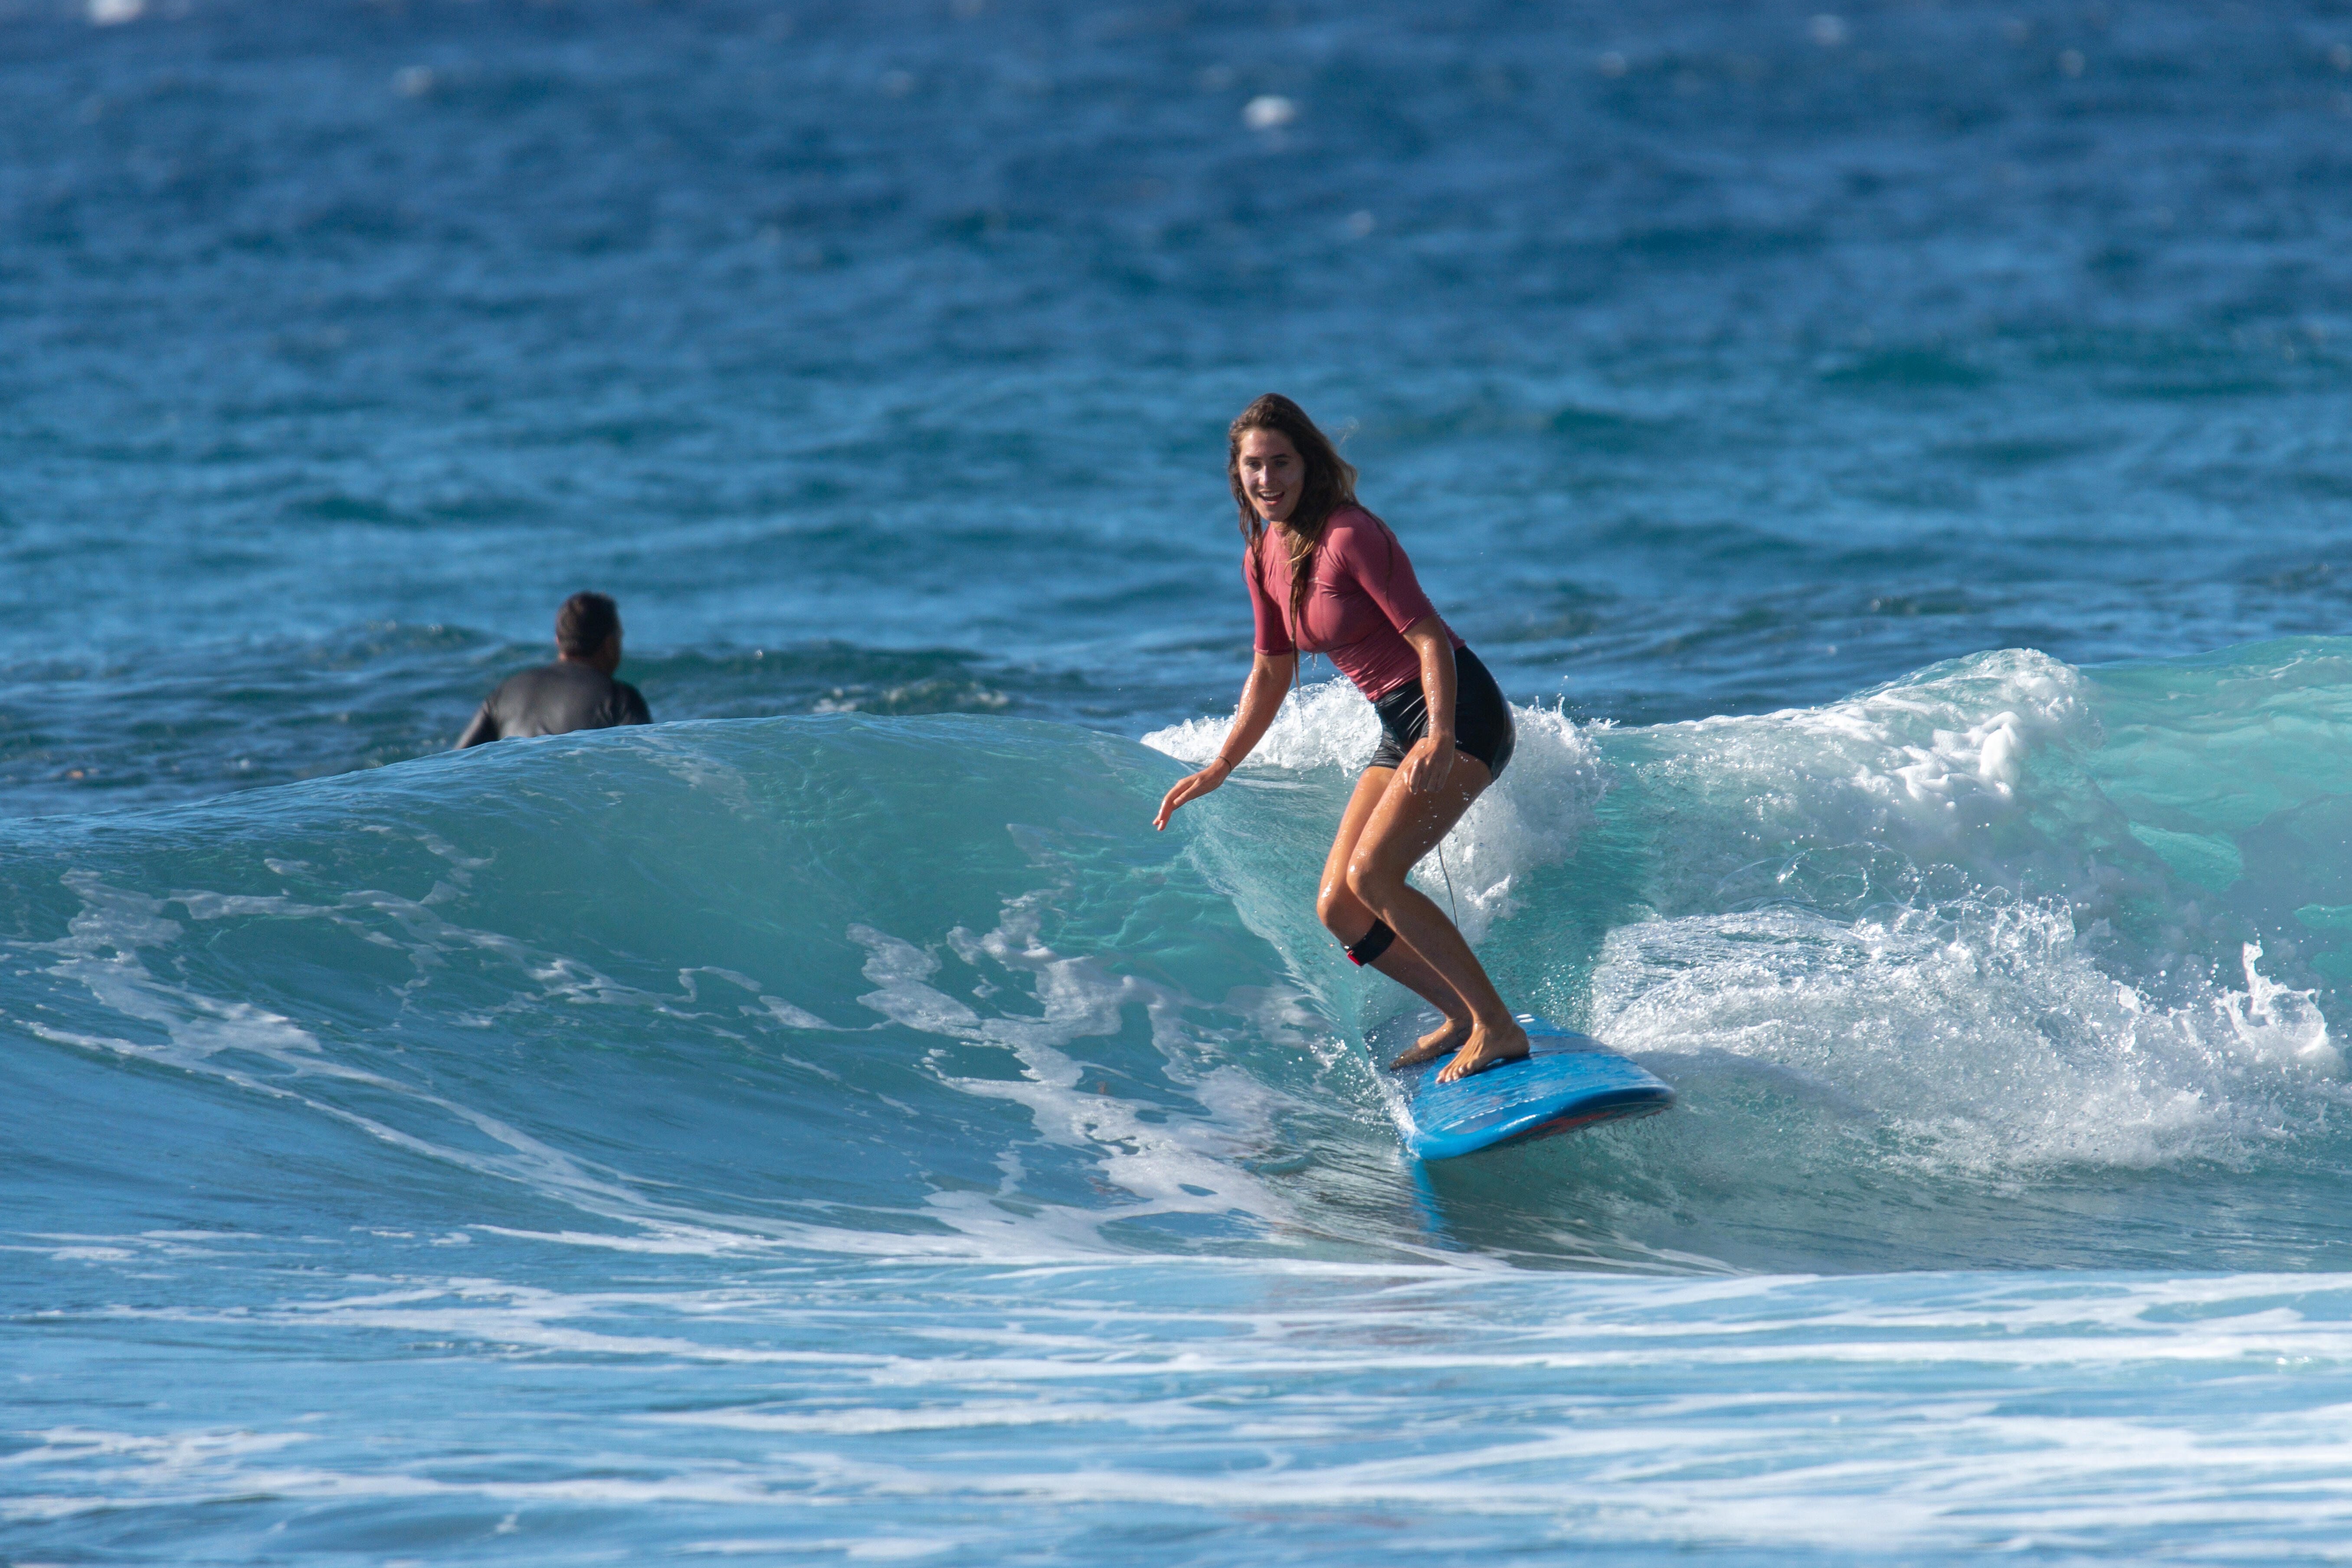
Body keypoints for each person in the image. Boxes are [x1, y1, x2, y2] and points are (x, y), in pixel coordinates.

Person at [1153, 394, 1526, 1083]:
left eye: (1280, 462)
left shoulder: (1351, 534)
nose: (1267, 479)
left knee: (1374, 875)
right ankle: (1462, 1015)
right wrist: (1221, 764)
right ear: (1237, 475)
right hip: (1397, 723)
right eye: (1253, 466)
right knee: (1337, 904)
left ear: (1308, 463)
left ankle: (1498, 1026)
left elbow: (1427, 638)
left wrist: (1441, 734)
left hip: (1458, 710)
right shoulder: (1261, 553)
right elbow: (1270, 670)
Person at [455, 591, 651, 748]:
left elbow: (456, 764)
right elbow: (642, 770)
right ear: (610, 644)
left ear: (558, 640)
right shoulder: (620, 699)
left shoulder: (504, 693)